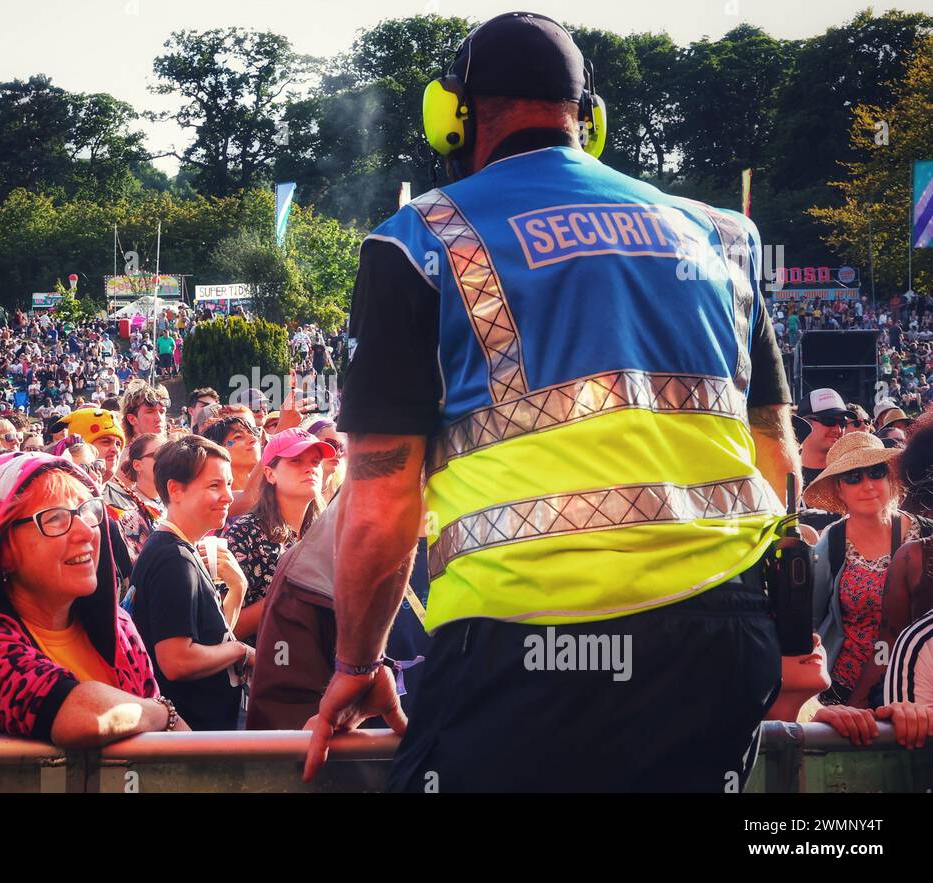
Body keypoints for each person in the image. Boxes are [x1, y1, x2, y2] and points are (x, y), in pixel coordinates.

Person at [304, 13, 797, 791]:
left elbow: (381, 505)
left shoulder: (418, 241)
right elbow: (780, 464)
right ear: (588, 120)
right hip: (720, 640)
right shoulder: (723, 237)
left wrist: (359, 661)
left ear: (453, 115)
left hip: (524, 648)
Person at [0, 451, 186, 744]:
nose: (86, 531)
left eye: (87, 511)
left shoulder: (119, 626)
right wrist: (163, 712)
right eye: (56, 519)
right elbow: (83, 715)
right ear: (0, 549)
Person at [131, 436, 253, 730]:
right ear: (176, 490)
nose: (228, 496)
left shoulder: (179, 549)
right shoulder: (173, 559)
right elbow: (178, 661)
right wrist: (241, 651)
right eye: (215, 485)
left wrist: (237, 591)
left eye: (228, 484)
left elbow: (210, 641)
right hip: (192, 743)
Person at [804, 432, 927, 709]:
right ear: (839, 490)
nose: (868, 485)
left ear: (890, 477)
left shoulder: (925, 535)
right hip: (845, 693)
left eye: (876, 472)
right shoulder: (831, 543)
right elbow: (810, 620)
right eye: (853, 477)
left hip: (917, 690)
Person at [224, 428, 330, 644]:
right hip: (266, 667)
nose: (310, 469)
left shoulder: (327, 531)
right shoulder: (246, 533)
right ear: (270, 474)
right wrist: (290, 590)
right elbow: (226, 628)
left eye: (315, 462)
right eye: (296, 461)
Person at [767, 633, 930, 750]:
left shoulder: (833, 726)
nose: (816, 638)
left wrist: (895, 727)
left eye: (809, 625)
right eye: (780, 631)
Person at [103, 432, 166, 563]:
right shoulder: (127, 510)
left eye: (171, 455)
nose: (168, 461)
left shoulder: (175, 502)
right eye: (160, 455)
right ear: (137, 465)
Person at [798, 389, 851, 486]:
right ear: (804, 423)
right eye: (829, 421)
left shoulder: (853, 474)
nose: (838, 430)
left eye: (842, 423)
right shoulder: (784, 473)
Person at [63, 407, 125, 484]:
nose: (115, 450)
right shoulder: (58, 492)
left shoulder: (124, 495)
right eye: (106, 442)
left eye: (118, 444)